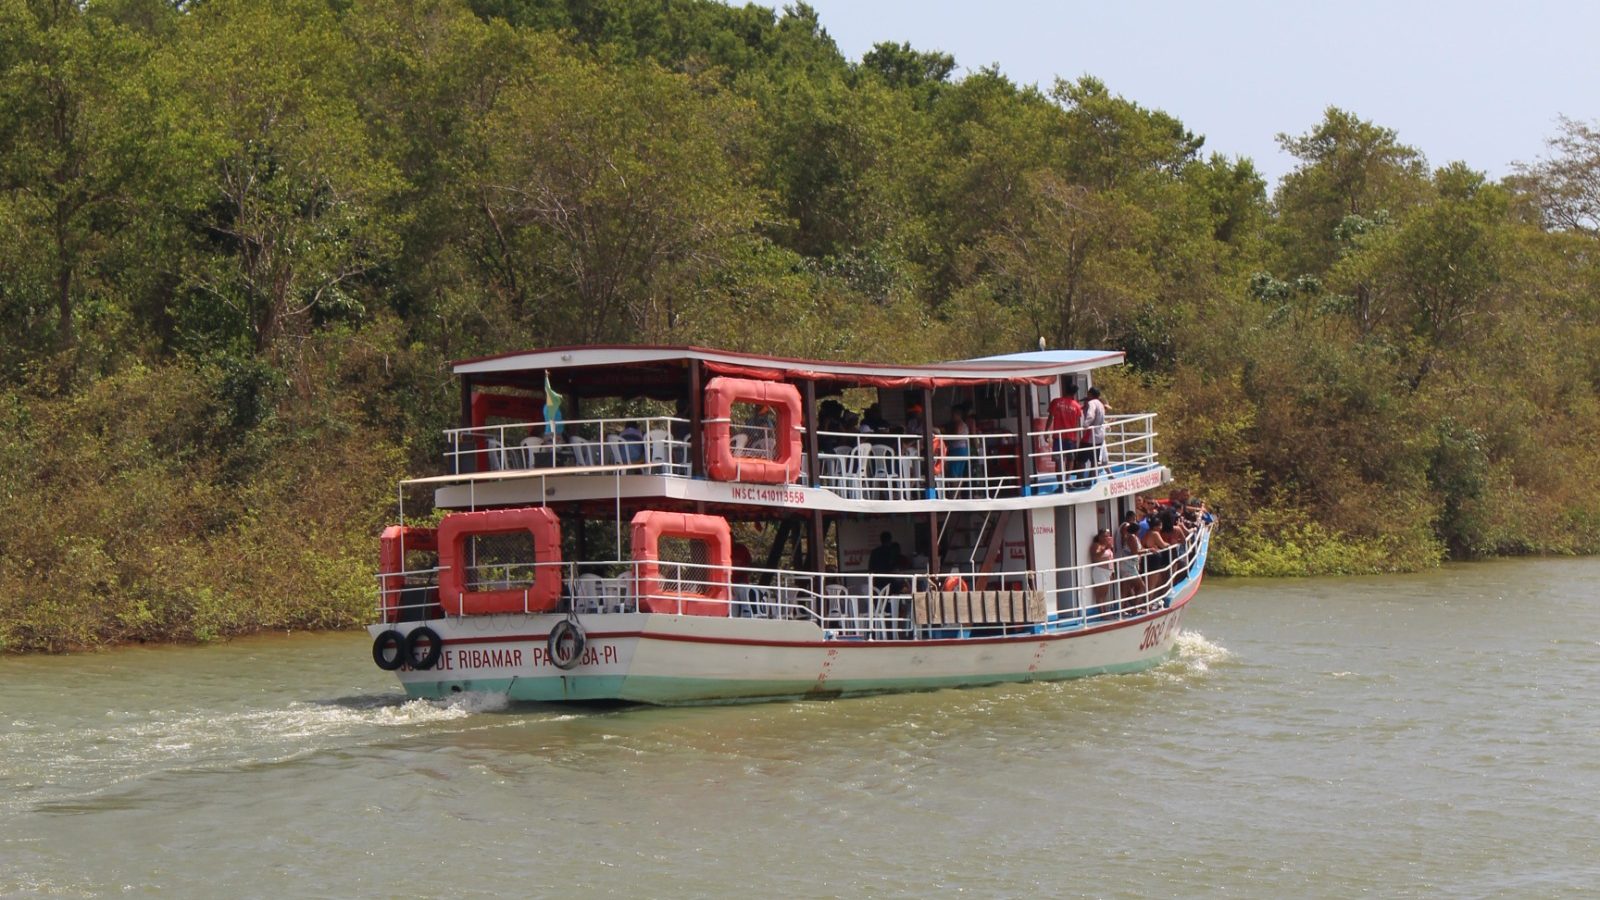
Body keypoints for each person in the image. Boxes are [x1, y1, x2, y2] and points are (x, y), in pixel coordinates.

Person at [1046, 388, 1083, 486]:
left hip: (1058, 437)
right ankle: (1067, 480)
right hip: (1071, 437)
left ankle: (1060, 483)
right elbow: (1078, 421)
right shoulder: (1076, 406)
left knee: (1058, 460)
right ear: (1074, 394)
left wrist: (1046, 431)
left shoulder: (1056, 402)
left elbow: (1050, 417)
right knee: (1070, 459)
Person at [1088, 528, 1115, 616]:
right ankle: (1103, 613)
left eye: (1108, 536)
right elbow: (1095, 557)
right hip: (1100, 571)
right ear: (1100, 537)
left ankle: (1105, 611)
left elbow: (1110, 559)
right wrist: (1105, 548)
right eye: (1105, 536)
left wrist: (1112, 571)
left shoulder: (1108, 546)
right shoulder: (1097, 545)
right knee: (1100, 594)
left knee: (1105, 593)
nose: (1107, 538)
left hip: (1108, 572)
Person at [1082, 387, 1107, 479]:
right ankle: (1091, 479)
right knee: (1094, 459)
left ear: (1091, 394)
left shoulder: (1091, 403)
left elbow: (1091, 416)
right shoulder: (1101, 404)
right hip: (1099, 435)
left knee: (1081, 459)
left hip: (1090, 435)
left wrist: (1085, 425)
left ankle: (1079, 480)